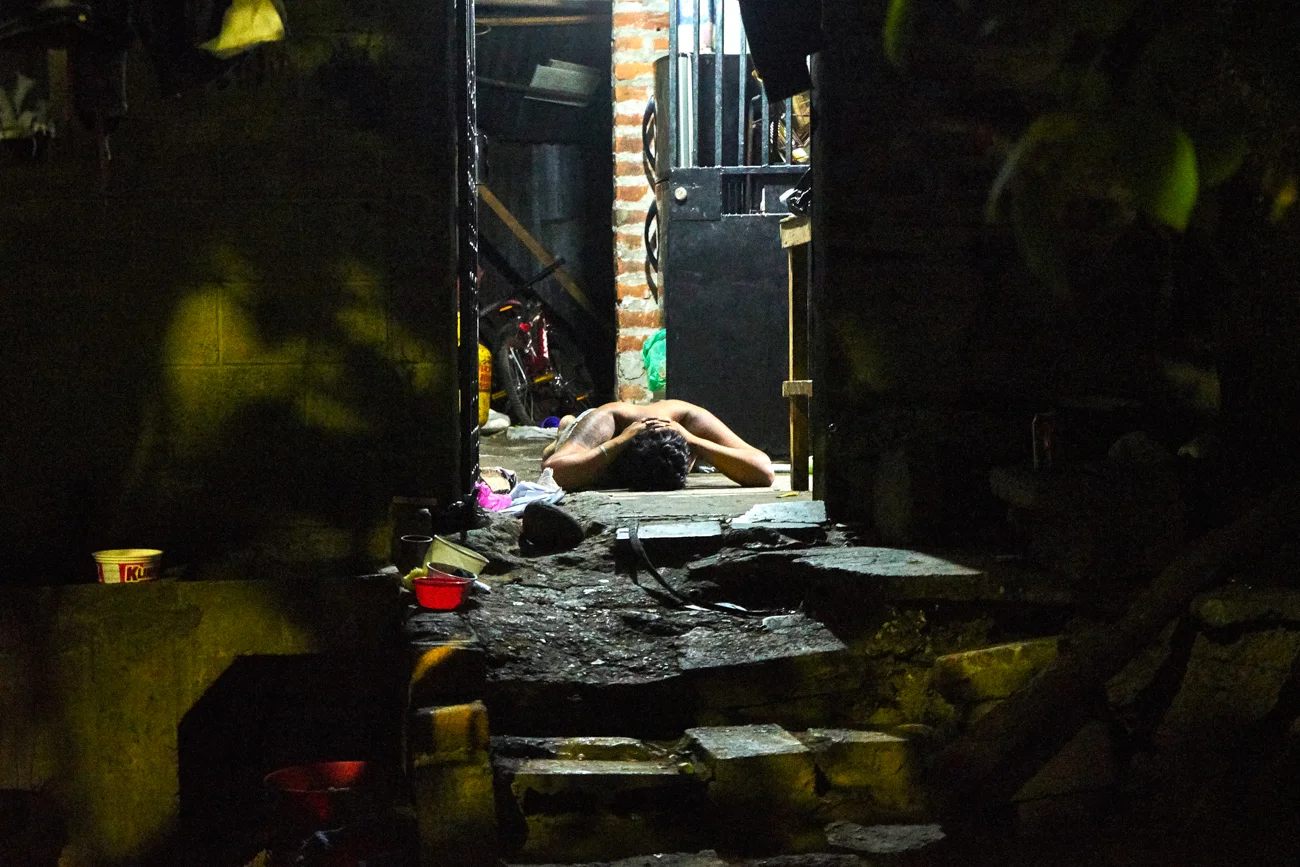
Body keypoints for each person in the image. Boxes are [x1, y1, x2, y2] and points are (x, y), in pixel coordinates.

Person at [541, 400, 775, 491]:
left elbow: (764, 471)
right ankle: (566, 426)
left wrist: (693, 441)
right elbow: (553, 470)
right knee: (554, 449)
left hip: (677, 438)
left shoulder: (687, 418)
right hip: (593, 427)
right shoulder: (608, 419)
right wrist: (619, 442)